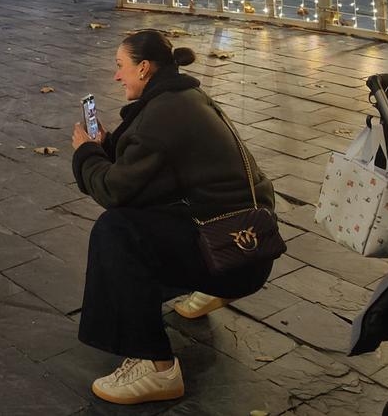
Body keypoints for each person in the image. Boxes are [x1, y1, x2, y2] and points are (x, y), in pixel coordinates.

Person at [70, 30, 277, 405]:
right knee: (141, 215)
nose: (116, 76)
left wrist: (86, 154)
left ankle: (157, 367)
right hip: (248, 244)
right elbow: (147, 164)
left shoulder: (162, 114)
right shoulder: (183, 97)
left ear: (144, 68)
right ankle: (210, 289)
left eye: (120, 66)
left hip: (234, 258)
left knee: (116, 232)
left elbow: (113, 190)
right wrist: (106, 147)